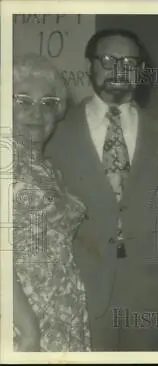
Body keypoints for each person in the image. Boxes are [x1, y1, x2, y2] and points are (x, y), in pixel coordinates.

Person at [45, 28, 158, 351]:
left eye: (129, 61)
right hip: (80, 282)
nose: (119, 69)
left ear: (142, 71)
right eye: (108, 59)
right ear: (90, 65)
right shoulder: (54, 129)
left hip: (146, 285)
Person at [13, 53, 91, 352]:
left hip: (60, 310)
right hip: (22, 317)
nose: (37, 113)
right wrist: (28, 329)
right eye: (23, 101)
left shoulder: (43, 167)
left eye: (48, 103)